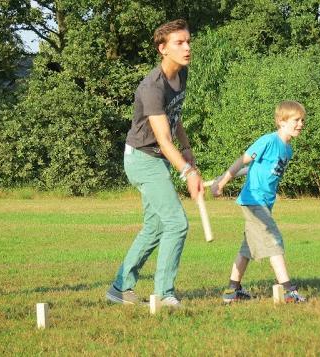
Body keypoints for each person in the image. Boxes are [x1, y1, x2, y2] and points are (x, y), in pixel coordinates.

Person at [106, 19, 203, 307]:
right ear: (163, 49)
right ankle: (164, 294)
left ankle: (119, 288)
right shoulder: (152, 86)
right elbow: (161, 138)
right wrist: (187, 172)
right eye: (179, 42)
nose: (187, 47)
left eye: (188, 41)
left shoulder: (181, 74)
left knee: (155, 227)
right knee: (176, 223)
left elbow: (175, 116)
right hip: (142, 158)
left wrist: (187, 149)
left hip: (158, 158)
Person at [211, 101, 307, 303]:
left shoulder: (287, 150)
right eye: (296, 120)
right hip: (253, 200)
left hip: (264, 202)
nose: (301, 124)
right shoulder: (268, 141)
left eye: (302, 120)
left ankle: (232, 291)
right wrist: (222, 182)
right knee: (274, 240)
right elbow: (243, 160)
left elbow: (253, 168)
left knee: (247, 249)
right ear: (281, 121)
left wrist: (226, 177)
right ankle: (289, 290)